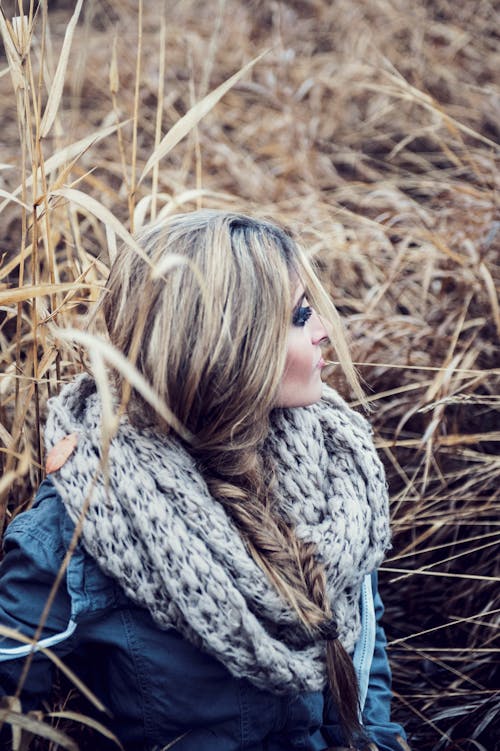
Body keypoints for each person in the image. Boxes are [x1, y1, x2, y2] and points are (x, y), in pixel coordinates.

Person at [0, 210, 410, 751]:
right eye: (299, 315)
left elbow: (363, 652)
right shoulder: (85, 528)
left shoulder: (336, 477)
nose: (325, 331)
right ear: (222, 342)